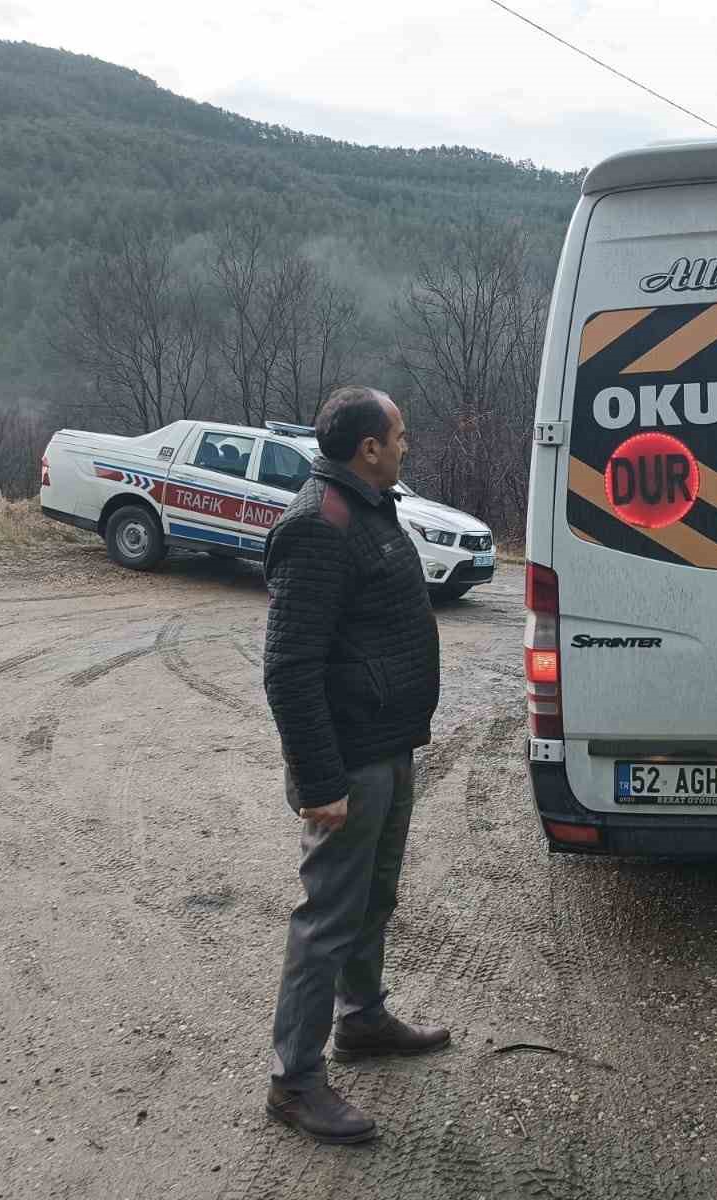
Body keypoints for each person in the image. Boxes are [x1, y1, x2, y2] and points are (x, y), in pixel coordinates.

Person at [261, 385, 449, 1145]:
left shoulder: (369, 506)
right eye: (399, 433)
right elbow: (289, 668)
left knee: (374, 896)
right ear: (367, 448)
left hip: (388, 745)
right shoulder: (318, 524)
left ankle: (361, 1021)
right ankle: (294, 1082)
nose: (407, 443)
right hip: (348, 762)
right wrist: (321, 782)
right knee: (327, 920)